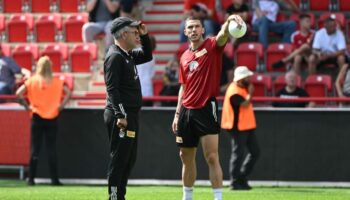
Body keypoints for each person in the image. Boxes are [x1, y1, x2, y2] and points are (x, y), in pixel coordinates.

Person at [172, 14, 244, 200]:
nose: (194, 30)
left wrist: (229, 21)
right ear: (185, 32)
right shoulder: (184, 57)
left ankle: (217, 198)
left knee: (211, 156)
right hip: (186, 111)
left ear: (203, 30)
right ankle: (187, 197)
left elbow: (222, 35)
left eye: (197, 26)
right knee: (184, 156)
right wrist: (177, 113)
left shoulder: (212, 46)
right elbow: (183, 86)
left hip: (206, 108)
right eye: (190, 27)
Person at [103, 17, 152, 200]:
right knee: (119, 158)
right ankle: (114, 197)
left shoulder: (127, 54)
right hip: (121, 115)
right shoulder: (115, 56)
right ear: (123, 34)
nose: (137, 34)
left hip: (130, 114)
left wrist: (145, 37)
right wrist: (120, 114)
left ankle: (120, 196)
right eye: (134, 32)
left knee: (129, 159)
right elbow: (112, 89)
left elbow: (147, 55)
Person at [16, 56, 71, 186]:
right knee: (51, 149)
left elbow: (18, 93)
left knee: (35, 149)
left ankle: (31, 179)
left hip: (36, 116)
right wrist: (61, 105)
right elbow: (68, 92)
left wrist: (27, 106)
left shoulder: (32, 81)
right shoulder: (57, 81)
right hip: (52, 116)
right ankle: (54, 179)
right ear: (50, 66)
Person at [221, 66, 260, 190]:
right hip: (236, 127)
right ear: (241, 78)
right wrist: (251, 93)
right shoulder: (234, 91)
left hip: (246, 126)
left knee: (255, 152)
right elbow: (245, 104)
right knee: (238, 154)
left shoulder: (242, 87)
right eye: (247, 76)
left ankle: (241, 178)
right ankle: (234, 182)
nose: (249, 78)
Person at [136, 35, 156, 106]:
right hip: (147, 88)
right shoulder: (153, 57)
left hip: (137, 88)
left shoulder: (135, 52)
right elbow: (152, 74)